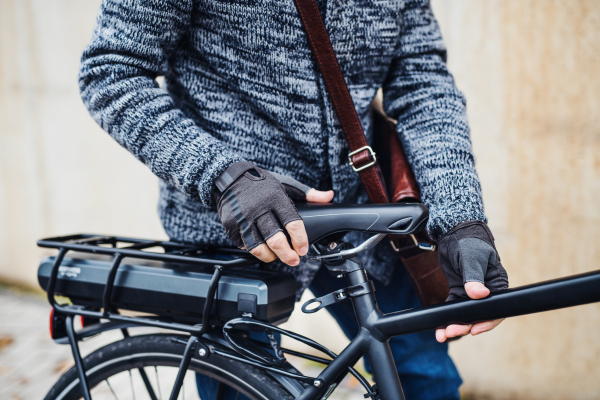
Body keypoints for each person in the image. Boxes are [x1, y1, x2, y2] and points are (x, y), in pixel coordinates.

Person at [78, 0, 508, 398]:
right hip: (236, 231)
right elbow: (111, 71)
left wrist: (461, 218)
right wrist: (224, 175)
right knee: (248, 390)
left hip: (360, 223)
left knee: (424, 380)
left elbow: (423, 86)